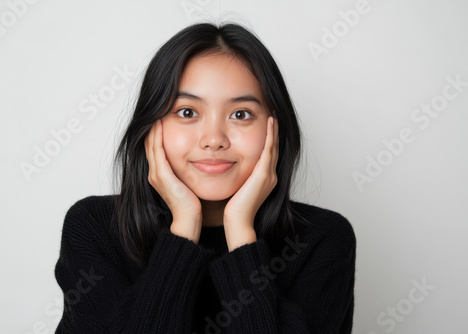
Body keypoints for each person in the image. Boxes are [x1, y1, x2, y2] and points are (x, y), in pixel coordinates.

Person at [54, 22, 356, 334]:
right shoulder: (95, 228)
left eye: (241, 114)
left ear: (275, 129)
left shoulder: (323, 239)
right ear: (150, 127)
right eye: (187, 112)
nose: (214, 139)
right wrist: (183, 229)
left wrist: (240, 233)